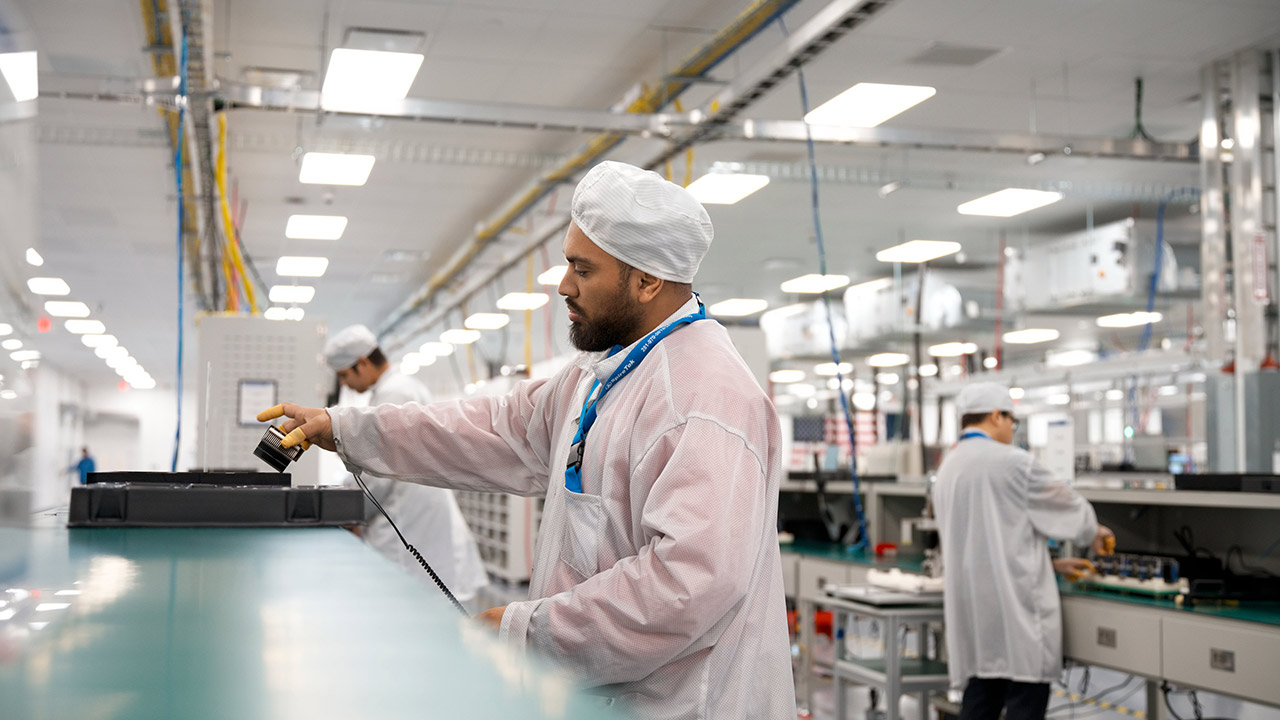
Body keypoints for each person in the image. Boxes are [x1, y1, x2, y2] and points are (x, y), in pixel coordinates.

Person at [259, 161, 795, 719]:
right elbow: (494, 429)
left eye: (582, 270)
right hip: (606, 696)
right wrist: (344, 427)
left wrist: (530, 633)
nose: (564, 285)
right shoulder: (602, 374)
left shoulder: (704, 398)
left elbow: (689, 584)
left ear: (648, 281)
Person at [932, 382, 1115, 720]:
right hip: (1018, 615)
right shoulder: (1014, 462)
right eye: (1011, 422)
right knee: (1024, 701)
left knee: (980, 700)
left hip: (976, 616)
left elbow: (988, 540)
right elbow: (1070, 509)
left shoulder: (949, 467)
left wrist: (1051, 563)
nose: (1011, 431)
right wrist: (1095, 531)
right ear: (996, 416)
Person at [322, 324, 489, 608]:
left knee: (416, 608)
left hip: (410, 522)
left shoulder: (395, 394)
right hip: (414, 517)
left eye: (344, 376)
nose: (346, 385)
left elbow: (380, 473)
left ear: (362, 364)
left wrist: (348, 513)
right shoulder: (398, 388)